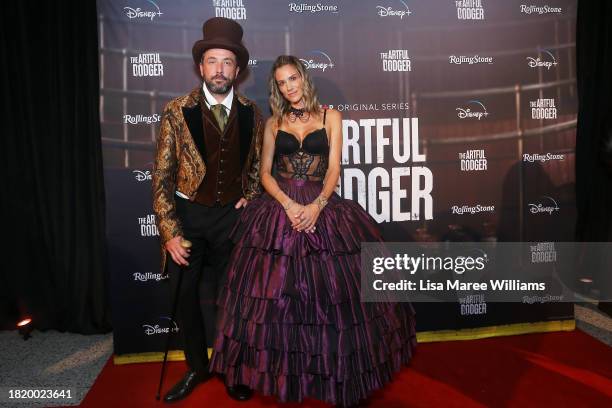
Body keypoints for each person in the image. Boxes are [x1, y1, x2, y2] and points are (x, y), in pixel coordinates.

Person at [209, 55, 417, 407]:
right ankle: (284, 369)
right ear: (277, 88)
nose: (289, 87)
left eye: (293, 79)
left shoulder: (331, 117)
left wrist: (317, 206)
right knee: (277, 296)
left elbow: (334, 167)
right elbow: (264, 174)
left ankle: (332, 372)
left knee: (330, 295)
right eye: (281, 83)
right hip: (280, 208)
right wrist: (289, 206)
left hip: (321, 204)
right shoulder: (273, 124)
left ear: (304, 78)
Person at [152, 17, 263, 403]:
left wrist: (250, 193)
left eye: (227, 62)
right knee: (184, 301)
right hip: (188, 219)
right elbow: (162, 176)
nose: (219, 69)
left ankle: (233, 369)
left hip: (231, 222)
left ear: (238, 69)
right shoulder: (176, 110)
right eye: (212, 61)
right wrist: (169, 231)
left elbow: (255, 166)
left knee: (234, 300)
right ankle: (197, 368)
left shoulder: (251, 112)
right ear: (201, 67)